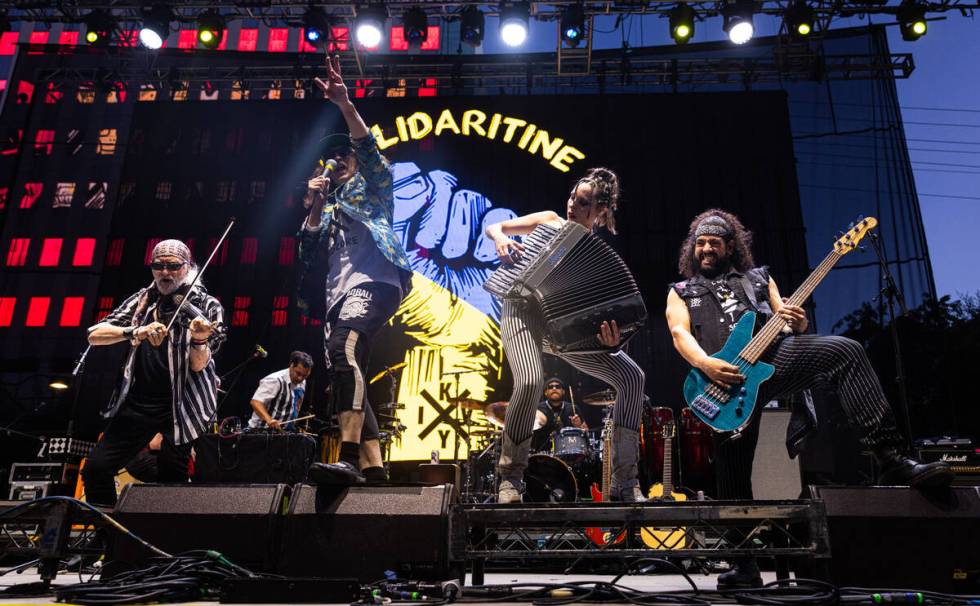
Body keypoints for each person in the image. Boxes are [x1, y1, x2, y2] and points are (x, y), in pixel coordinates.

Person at [664, 209, 953, 588]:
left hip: (772, 359)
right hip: (723, 383)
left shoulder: (757, 278)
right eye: (700, 243)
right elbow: (678, 333)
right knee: (732, 471)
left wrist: (797, 322)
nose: (705, 249)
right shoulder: (681, 290)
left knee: (845, 350)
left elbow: (787, 317)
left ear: (730, 246)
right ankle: (744, 564)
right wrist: (706, 364)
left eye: (713, 243)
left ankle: (891, 458)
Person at [485, 167, 647, 503]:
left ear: (601, 212)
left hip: (563, 331)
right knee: (530, 381)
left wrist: (611, 343)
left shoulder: (596, 258)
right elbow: (495, 225)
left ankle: (624, 482)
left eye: (583, 202)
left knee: (632, 377)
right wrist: (501, 238)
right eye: (574, 196)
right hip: (521, 309)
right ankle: (510, 478)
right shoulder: (548, 220)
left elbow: (602, 316)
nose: (572, 204)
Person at [299, 55, 413, 485]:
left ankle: (346, 457)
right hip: (338, 294)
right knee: (345, 367)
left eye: (343, 154)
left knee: (346, 347)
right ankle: (374, 469)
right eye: (329, 158)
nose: (339, 159)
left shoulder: (373, 191)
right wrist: (313, 206)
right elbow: (307, 252)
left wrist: (345, 105)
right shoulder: (324, 209)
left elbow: (372, 155)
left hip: (378, 283)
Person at [83, 239, 225, 506]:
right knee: (96, 469)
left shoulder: (207, 305)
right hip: (138, 403)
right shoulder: (142, 299)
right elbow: (94, 334)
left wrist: (199, 339)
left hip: (183, 404)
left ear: (188, 267)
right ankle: (109, 537)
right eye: (158, 266)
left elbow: (198, 365)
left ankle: (167, 540)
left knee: (173, 480)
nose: (165, 272)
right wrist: (136, 331)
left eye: (173, 266)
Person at [248, 351, 313, 430]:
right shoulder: (275, 380)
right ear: (291, 365)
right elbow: (256, 402)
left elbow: (297, 404)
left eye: (304, 376)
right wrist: (269, 420)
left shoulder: (303, 382)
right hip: (259, 431)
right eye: (298, 374)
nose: (300, 378)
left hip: (282, 433)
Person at [531, 377, 588, 452]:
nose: (554, 388)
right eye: (550, 387)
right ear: (546, 392)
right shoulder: (537, 409)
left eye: (558, 387)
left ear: (563, 391)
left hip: (569, 452)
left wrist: (579, 427)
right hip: (542, 454)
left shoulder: (573, 408)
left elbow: (586, 432)